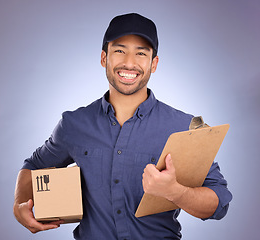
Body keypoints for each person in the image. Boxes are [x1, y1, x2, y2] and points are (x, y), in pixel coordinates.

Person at [13, 13, 232, 239]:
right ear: (103, 58)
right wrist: (19, 204)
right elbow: (34, 165)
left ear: (153, 64)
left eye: (141, 53)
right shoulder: (74, 124)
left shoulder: (184, 127)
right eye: (119, 50)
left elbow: (219, 201)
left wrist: (176, 192)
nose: (129, 62)